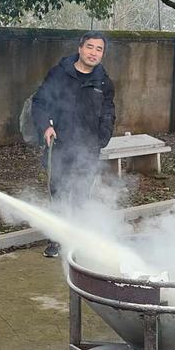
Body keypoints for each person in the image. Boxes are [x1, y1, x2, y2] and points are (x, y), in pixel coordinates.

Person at [32, 31, 116, 258]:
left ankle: (77, 241)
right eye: (90, 47)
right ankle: (56, 240)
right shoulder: (59, 74)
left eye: (99, 49)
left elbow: (108, 113)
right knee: (59, 194)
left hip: (88, 149)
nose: (94, 53)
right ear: (80, 48)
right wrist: (45, 128)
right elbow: (39, 103)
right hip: (60, 146)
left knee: (80, 196)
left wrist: (102, 138)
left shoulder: (104, 82)